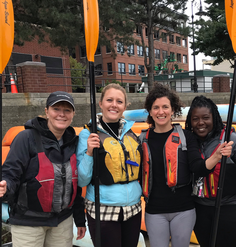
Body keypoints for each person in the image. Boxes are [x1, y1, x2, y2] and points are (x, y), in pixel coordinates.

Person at [139, 83, 232, 247]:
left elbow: (198, 167)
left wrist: (217, 155)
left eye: (165, 107)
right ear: (150, 111)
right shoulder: (141, 139)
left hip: (183, 209)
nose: (161, 112)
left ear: (173, 109)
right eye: (156, 107)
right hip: (154, 210)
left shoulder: (186, 136)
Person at [0, 91, 86, 247]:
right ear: (47, 111)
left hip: (62, 221)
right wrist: (5, 186)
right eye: (56, 109)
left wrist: (80, 219)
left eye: (67, 110)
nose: (62, 114)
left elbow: (76, 185)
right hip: (28, 222)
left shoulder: (74, 142)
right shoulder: (25, 138)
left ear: (73, 114)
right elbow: (10, 173)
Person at [76, 83, 142, 247]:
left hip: (133, 209)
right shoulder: (88, 134)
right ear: (101, 103)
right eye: (109, 100)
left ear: (125, 106)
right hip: (103, 209)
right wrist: (89, 153)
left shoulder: (131, 132)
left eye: (119, 101)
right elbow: (82, 180)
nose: (114, 105)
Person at [185, 95, 236, 247]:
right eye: (195, 119)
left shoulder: (230, 138)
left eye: (206, 118)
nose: (200, 123)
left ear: (214, 118)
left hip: (227, 207)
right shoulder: (188, 141)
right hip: (200, 208)